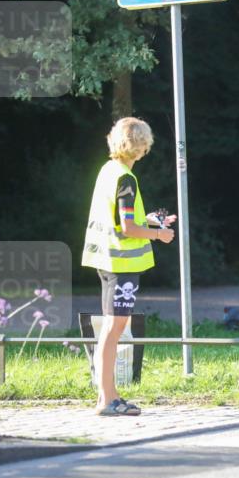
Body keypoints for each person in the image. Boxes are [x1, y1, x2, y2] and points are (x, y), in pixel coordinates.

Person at [81, 117, 175, 416]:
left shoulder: (109, 170)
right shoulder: (126, 178)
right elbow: (127, 228)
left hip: (106, 259)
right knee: (114, 327)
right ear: (142, 147)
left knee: (111, 327)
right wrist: (159, 234)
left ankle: (106, 396)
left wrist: (150, 220)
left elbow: (122, 219)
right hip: (121, 263)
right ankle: (108, 399)